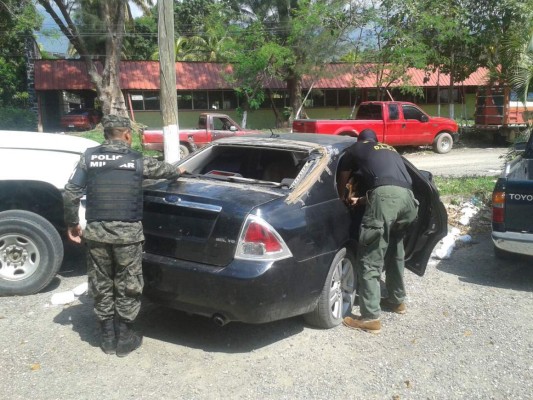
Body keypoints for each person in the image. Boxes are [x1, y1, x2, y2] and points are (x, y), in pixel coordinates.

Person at [63, 114, 185, 356]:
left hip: (97, 233)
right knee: (128, 284)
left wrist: (72, 223)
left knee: (101, 282)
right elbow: (168, 171)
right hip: (128, 235)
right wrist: (179, 170)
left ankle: (107, 337)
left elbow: (70, 193)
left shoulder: (89, 157)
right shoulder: (138, 160)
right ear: (127, 134)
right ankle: (125, 337)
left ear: (105, 134)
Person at [337, 129, 418, 334]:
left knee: (370, 257)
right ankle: (397, 301)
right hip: (408, 200)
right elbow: (390, 187)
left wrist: (341, 198)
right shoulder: (390, 150)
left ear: (360, 140)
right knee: (394, 251)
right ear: (375, 140)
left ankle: (370, 317)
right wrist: (362, 200)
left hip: (385, 198)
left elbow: (343, 178)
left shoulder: (355, 148)